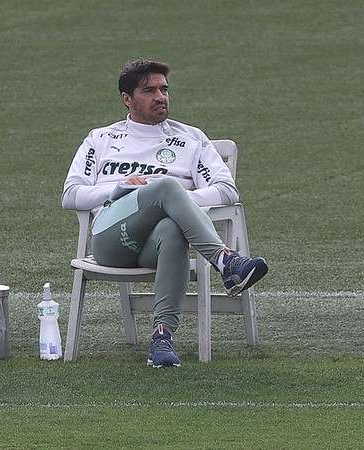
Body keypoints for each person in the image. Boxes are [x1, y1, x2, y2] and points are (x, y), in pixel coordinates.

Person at [62, 59, 268, 368]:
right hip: (112, 239)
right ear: (127, 99)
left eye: (164, 89)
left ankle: (161, 338)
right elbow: (71, 194)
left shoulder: (190, 138)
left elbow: (227, 189)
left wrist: (177, 200)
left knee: (173, 226)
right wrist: (118, 188)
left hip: (156, 244)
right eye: (149, 91)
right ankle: (226, 261)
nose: (161, 96)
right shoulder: (101, 139)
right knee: (165, 188)